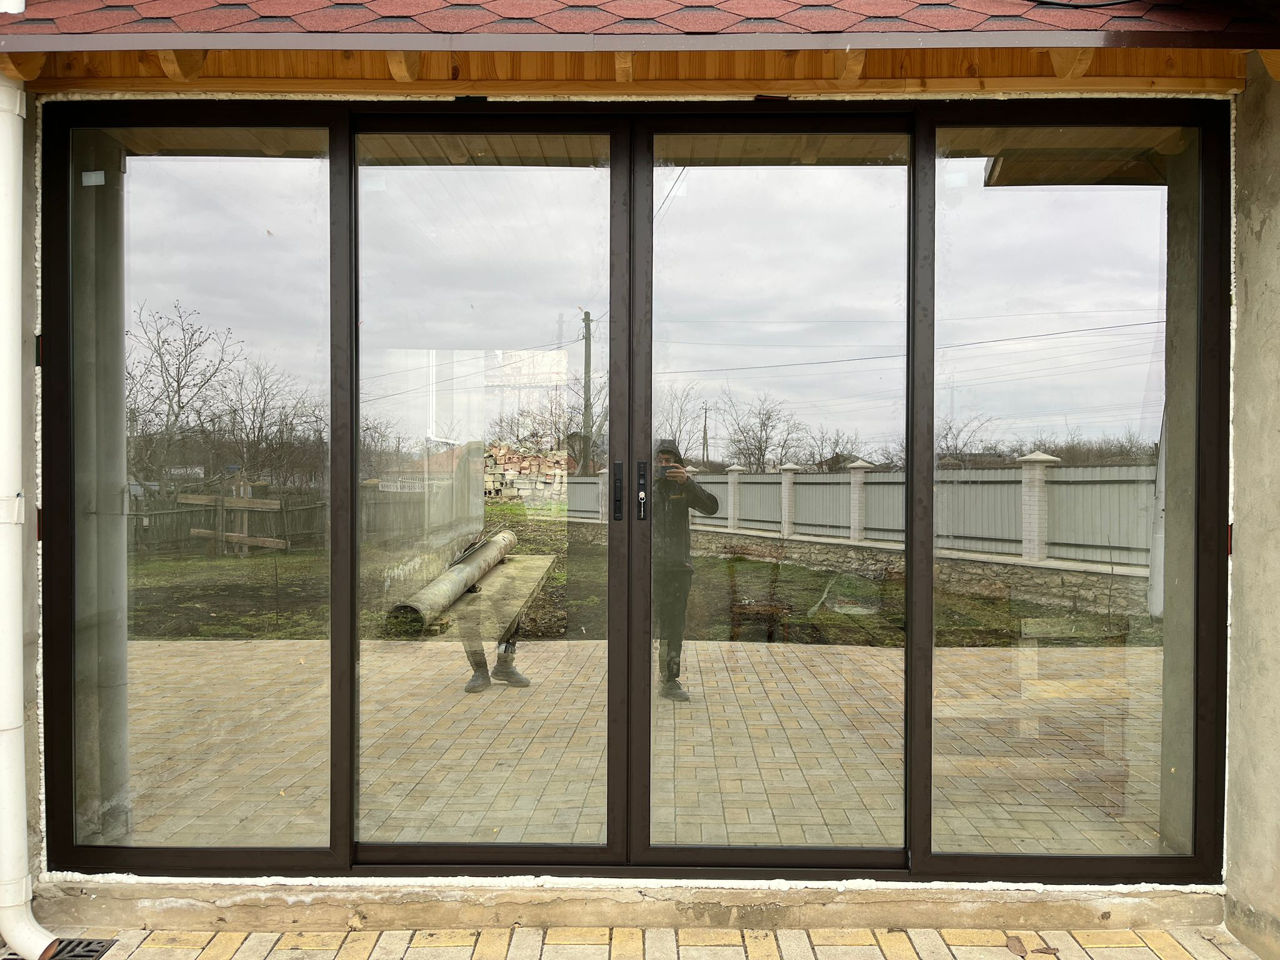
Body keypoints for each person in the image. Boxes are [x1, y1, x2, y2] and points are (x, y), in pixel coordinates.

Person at [652, 439, 719, 702]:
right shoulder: (645, 487)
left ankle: (669, 680)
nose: (664, 465)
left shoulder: (683, 487)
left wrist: (687, 483)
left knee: (673, 627)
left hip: (678, 569)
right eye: (660, 460)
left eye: (669, 461)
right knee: (645, 624)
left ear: (678, 464)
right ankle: (640, 677)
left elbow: (711, 507)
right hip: (648, 568)